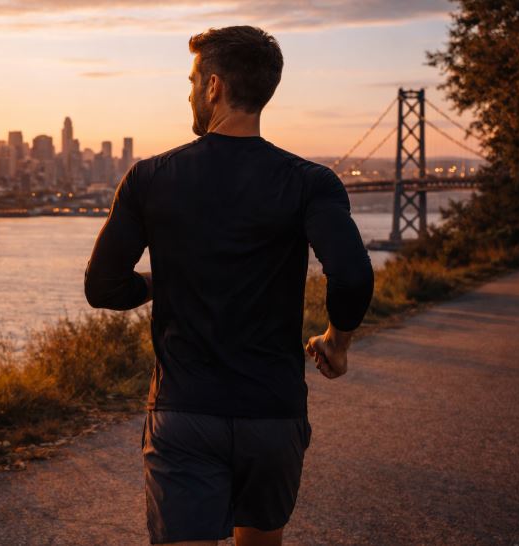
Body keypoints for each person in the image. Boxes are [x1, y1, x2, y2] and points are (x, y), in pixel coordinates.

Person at [83, 25, 374, 546]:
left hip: (184, 409)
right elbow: (351, 274)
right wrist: (338, 341)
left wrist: (156, 282)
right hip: (273, 414)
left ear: (214, 87)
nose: (190, 91)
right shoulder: (311, 182)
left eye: (194, 80)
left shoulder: (149, 177)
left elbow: (103, 287)